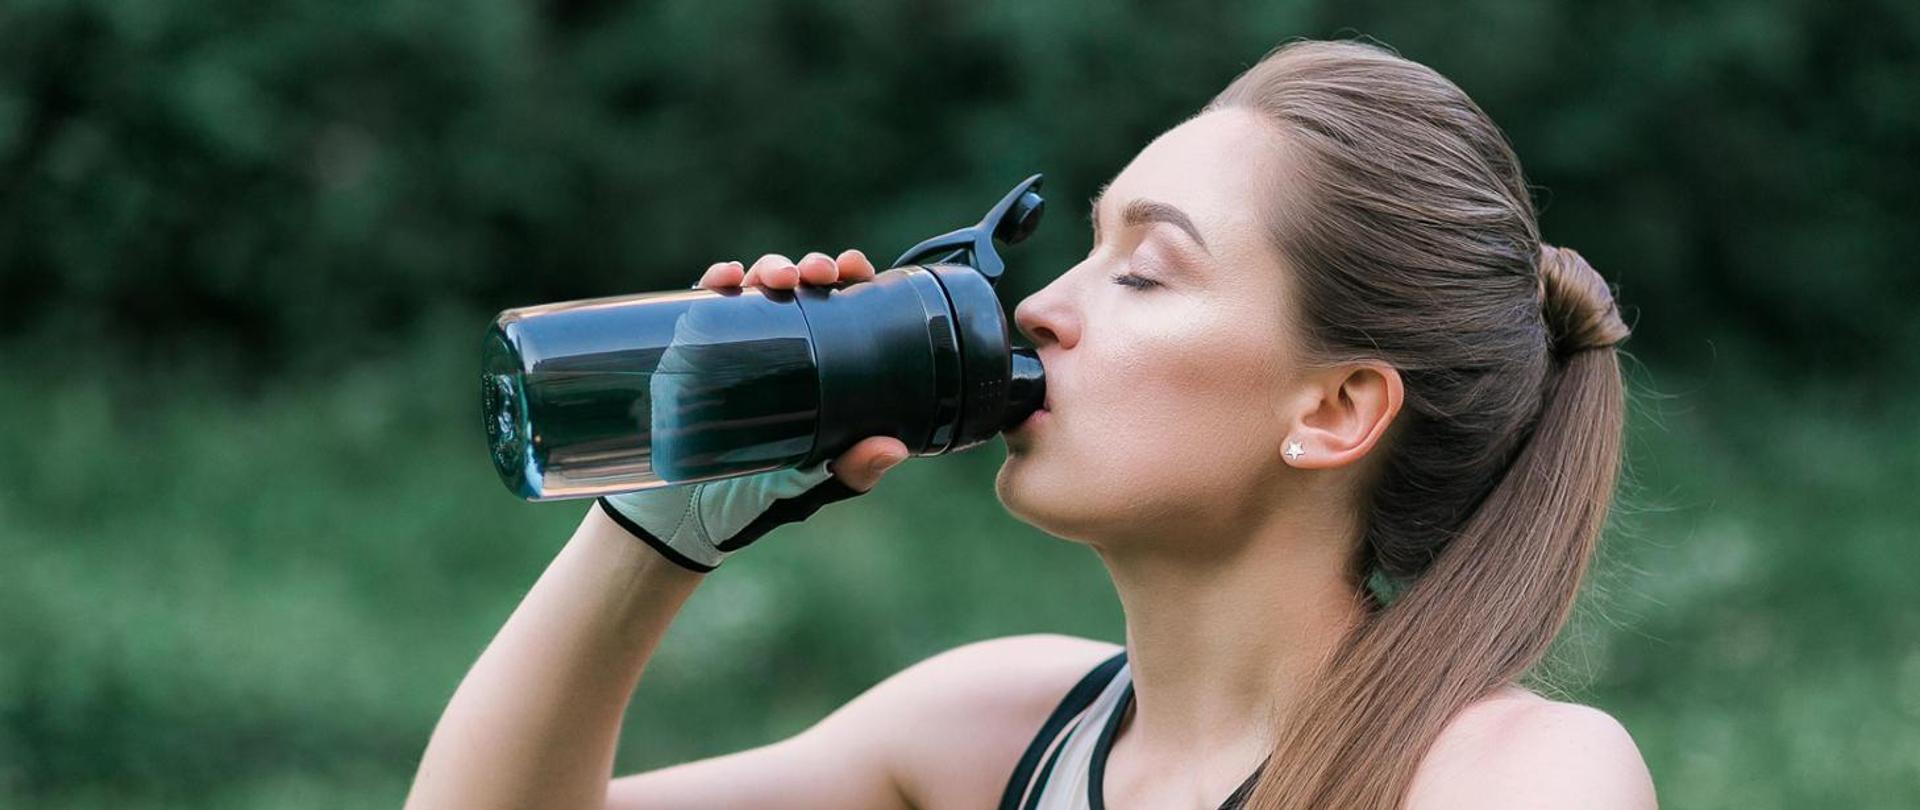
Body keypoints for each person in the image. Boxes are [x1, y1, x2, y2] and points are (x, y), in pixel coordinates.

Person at [405, 38, 1655, 810]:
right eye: (1084, 248)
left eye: (1146, 270)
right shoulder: (993, 731)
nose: (1044, 308)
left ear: (1334, 410)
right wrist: (652, 527)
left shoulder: (1515, 781)